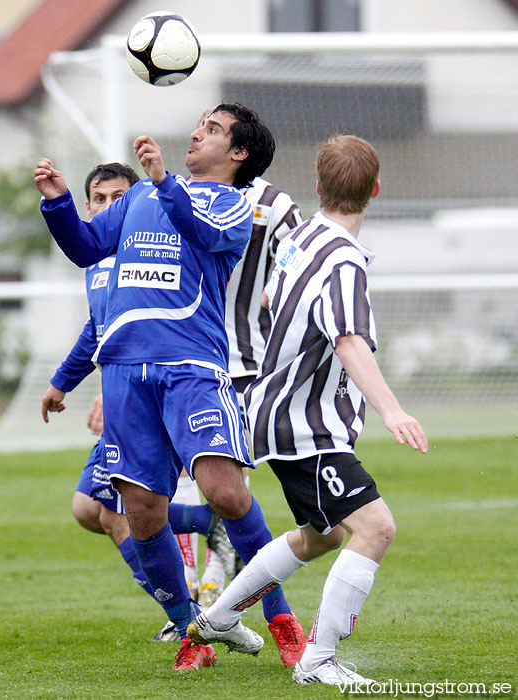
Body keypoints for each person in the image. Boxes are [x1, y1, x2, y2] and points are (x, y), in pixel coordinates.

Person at [34, 103, 298, 671]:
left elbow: (202, 232)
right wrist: (57, 202)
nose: (197, 132)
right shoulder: (135, 198)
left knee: (226, 493)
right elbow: (85, 248)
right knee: (143, 511)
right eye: (199, 123)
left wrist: (161, 180)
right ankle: (190, 632)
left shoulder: (234, 205)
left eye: (213, 129)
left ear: (238, 153)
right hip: (125, 373)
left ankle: (282, 622)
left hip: (191, 367)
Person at [187, 134, 429, 685]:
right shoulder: (343, 261)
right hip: (305, 427)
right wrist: (391, 410)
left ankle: (221, 615)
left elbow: (271, 298)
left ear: (318, 188)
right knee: (376, 528)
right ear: (376, 190)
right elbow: (347, 341)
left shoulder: (301, 236)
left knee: (323, 535)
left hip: (273, 409)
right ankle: (318, 662)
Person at [41, 162, 233, 613]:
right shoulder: (97, 264)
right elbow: (100, 329)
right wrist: (61, 382)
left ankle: (182, 613)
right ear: (89, 208)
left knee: (117, 513)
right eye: (100, 200)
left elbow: (141, 334)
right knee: (89, 510)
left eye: (118, 199)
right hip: (124, 389)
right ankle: (208, 525)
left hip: (149, 393)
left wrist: (111, 392)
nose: (110, 206)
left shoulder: (147, 255)